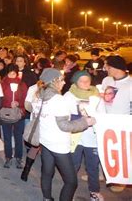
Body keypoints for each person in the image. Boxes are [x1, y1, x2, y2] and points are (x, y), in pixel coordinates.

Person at [38, 68, 95, 201]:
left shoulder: (40, 95)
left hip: (45, 140)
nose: (64, 83)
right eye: (61, 80)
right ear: (54, 81)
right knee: (71, 181)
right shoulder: (58, 99)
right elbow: (64, 125)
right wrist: (85, 122)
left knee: (47, 172)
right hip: (58, 144)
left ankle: (47, 198)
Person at [64, 70, 105, 201]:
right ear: (76, 82)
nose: (85, 83)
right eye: (81, 80)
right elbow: (64, 115)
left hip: (92, 137)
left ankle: (94, 191)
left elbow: (103, 113)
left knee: (93, 166)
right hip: (75, 136)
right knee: (73, 165)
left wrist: (97, 117)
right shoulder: (69, 95)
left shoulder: (97, 95)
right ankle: (69, 189)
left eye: (87, 80)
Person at [100, 55, 132, 193]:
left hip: (122, 125)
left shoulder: (130, 84)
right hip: (105, 122)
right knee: (104, 149)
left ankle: (120, 181)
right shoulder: (107, 80)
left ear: (115, 68)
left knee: (120, 153)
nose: (105, 68)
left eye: (107, 66)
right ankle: (104, 174)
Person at [0, 64, 27, 169]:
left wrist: (19, 104)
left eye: (14, 72)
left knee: (18, 137)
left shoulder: (22, 84)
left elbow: (25, 99)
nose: (12, 74)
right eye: (10, 72)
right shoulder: (2, 84)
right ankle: (8, 157)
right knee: (7, 137)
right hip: (6, 114)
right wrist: (7, 104)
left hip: (18, 114)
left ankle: (18, 157)